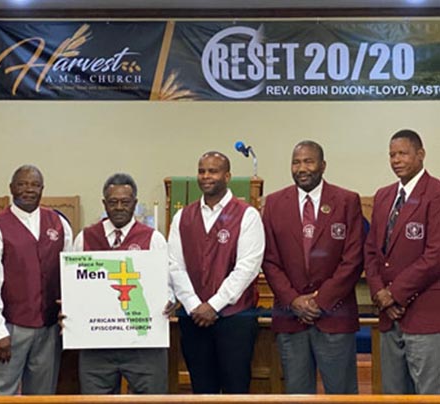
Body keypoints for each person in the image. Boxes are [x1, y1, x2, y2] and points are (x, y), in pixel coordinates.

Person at [262, 140, 364, 394]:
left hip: (335, 315)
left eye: (308, 161)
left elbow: (353, 258)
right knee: (297, 394)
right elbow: (269, 260)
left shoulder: (346, 201)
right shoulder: (274, 203)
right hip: (291, 317)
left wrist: (321, 301)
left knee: (342, 395)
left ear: (323, 165)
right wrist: (293, 300)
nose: (302, 168)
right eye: (296, 162)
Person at [168, 151, 264, 394]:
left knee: (236, 389)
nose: (206, 176)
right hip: (193, 318)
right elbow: (174, 265)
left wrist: (214, 305)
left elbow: (247, 267)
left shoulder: (247, 215)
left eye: (213, 171)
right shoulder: (183, 216)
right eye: (202, 171)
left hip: (235, 319)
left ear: (228, 176)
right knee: (201, 389)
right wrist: (192, 304)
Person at [0, 165, 73, 395]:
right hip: (10, 328)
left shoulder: (59, 224)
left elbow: (70, 273)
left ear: (42, 189)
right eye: (22, 184)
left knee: (43, 395)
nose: (29, 189)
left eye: (35, 185)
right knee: (2, 393)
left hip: (48, 330)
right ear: (11, 188)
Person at [72, 173, 169, 394]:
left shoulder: (153, 239)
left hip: (143, 344)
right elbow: (73, 286)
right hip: (96, 344)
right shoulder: (84, 238)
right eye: (112, 202)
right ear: (104, 203)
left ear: (134, 203)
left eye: (125, 202)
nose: (118, 207)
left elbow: (167, 283)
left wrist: (170, 299)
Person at [365, 129, 440, 394]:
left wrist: (395, 294)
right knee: (393, 394)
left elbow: (434, 256)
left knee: (428, 393)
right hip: (389, 316)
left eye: (403, 154)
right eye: (392, 155)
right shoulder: (384, 196)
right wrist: (379, 294)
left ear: (420, 155)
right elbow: (371, 251)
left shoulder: (436, 193)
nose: (396, 160)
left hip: (424, 314)